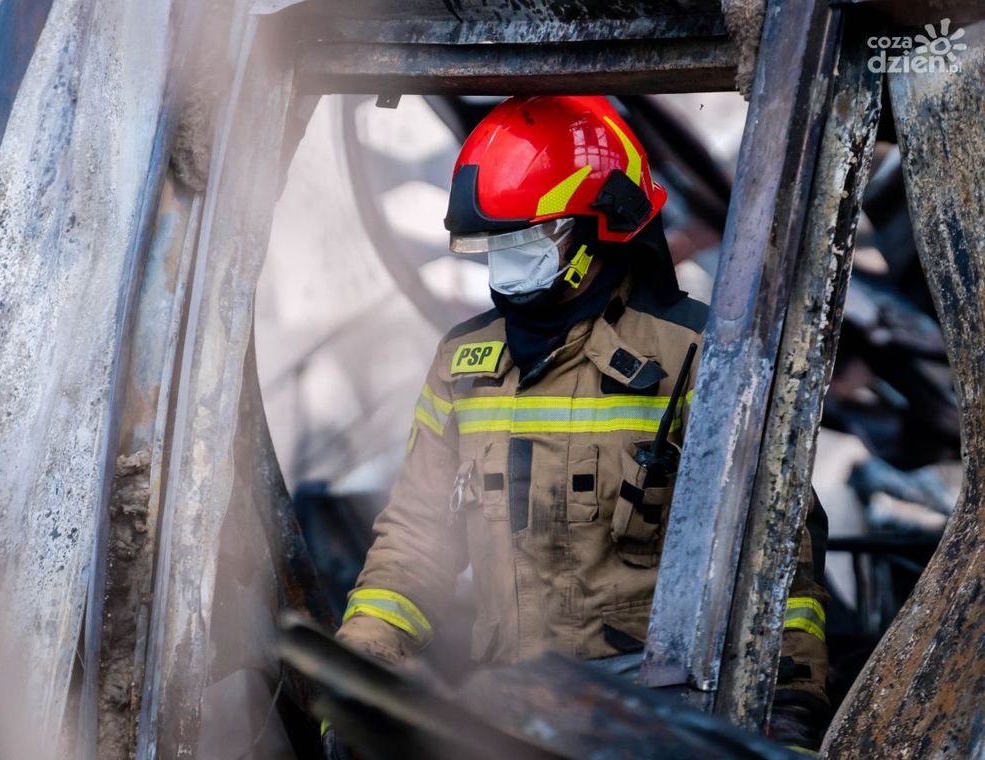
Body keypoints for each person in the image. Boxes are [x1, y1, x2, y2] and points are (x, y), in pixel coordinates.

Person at [333, 96, 830, 749]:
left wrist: (789, 711)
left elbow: (775, 555)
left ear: (600, 224)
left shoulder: (698, 355)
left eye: (524, 239)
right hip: (514, 716)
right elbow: (416, 540)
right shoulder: (462, 363)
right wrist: (355, 677)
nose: (502, 262)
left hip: (663, 725)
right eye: (491, 243)